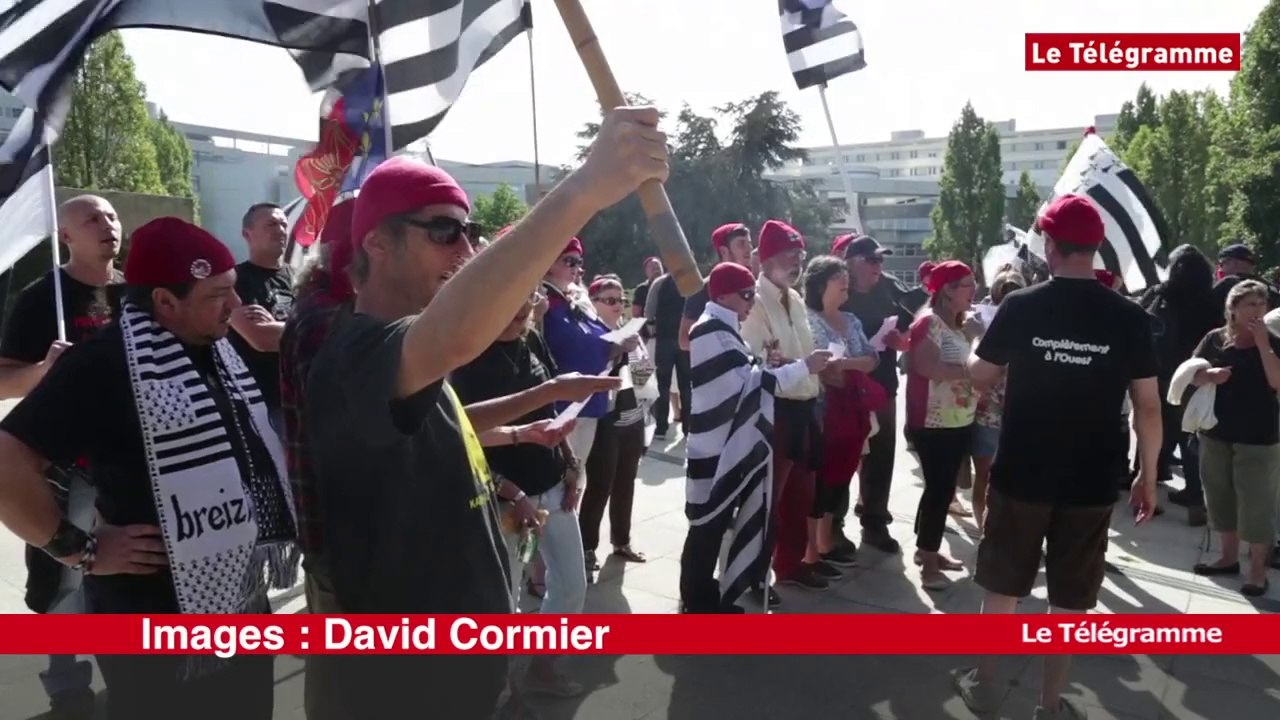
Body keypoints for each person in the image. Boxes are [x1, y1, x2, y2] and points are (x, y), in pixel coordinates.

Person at [301, 107, 668, 719]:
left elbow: (454, 422)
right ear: (377, 244)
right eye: (444, 231)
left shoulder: (405, 357)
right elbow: (455, 337)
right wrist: (584, 188)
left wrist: (543, 397)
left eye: (470, 232)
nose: (466, 249)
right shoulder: (357, 352)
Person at [0, 217, 300, 720]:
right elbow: (8, 462)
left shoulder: (220, 349)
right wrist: (79, 549)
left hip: (238, 603)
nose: (235, 305)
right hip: (148, 615)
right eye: (216, 295)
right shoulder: (103, 363)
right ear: (164, 302)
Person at [955, 194, 1161, 720]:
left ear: (1049, 245)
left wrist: (979, 345)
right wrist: (1149, 474)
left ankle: (983, 685)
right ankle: (1049, 706)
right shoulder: (1129, 316)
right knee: (1068, 601)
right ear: (1095, 249)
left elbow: (980, 376)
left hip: (1022, 471)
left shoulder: (1022, 306)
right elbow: (1148, 405)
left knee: (1002, 587)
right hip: (1091, 480)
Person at [452, 287, 620, 698]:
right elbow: (460, 436)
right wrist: (512, 490)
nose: (520, 308)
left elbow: (552, 407)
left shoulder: (532, 337)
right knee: (504, 602)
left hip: (551, 487)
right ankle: (504, 693)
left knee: (571, 587)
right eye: (509, 299)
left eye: (526, 298)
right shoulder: (467, 357)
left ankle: (541, 667)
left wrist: (570, 464)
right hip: (501, 499)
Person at [0, 194, 123, 719]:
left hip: (128, 464)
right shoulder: (39, 298)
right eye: (92, 218)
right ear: (66, 236)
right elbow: (4, 381)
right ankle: (68, 687)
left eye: (112, 216)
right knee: (66, 577)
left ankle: (128, 672)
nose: (107, 225)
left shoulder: (135, 293)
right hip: (64, 470)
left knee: (124, 571)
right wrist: (43, 372)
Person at [679, 262, 831, 612]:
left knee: (714, 527)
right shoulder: (709, 330)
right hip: (715, 448)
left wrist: (771, 365)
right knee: (706, 527)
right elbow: (746, 388)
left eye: (752, 293)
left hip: (727, 445)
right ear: (722, 295)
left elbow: (748, 377)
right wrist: (803, 367)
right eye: (745, 295)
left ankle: (705, 597)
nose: (751, 301)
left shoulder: (724, 327)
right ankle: (697, 602)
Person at [742, 219, 827, 594]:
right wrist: (802, 367)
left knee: (800, 495)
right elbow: (759, 362)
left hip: (805, 405)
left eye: (800, 255)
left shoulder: (795, 298)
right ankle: (753, 575)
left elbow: (799, 351)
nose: (797, 263)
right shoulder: (754, 300)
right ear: (765, 258)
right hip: (774, 409)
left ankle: (790, 565)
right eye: (789, 255)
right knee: (767, 499)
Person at [1189, 280, 1280, 596]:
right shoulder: (1215, 339)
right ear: (1233, 309)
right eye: (1249, 305)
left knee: (1257, 504)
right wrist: (1208, 376)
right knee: (1219, 496)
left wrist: (1263, 343)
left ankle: (1257, 572)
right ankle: (1227, 558)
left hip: (1259, 437)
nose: (1257, 311)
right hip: (1216, 431)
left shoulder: (1273, 340)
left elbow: (1277, 382)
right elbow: (1190, 374)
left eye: (1261, 304)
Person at [837, 233, 914, 554]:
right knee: (842, 457)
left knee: (881, 455)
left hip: (882, 384)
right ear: (850, 262)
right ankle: (832, 526)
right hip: (845, 386)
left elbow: (910, 323)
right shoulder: (836, 289)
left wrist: (901, 340)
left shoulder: (889, 286)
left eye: (881, 259)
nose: (878, 266)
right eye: (871, 260)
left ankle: (874, 521)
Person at [905, 261, 980, 591]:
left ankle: (927, 550)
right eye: (966, 284)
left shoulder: (955, 324)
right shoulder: (929, 322)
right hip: (933, 422)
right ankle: (929, 563)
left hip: (956, 419)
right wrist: (973, 370)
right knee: (939, 491)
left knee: (942, 488)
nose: (973, 291)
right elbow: (926, 366)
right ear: (947, 290)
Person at [803, 255, 880, 566]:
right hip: (822, 411)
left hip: (853, 410)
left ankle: (826, 540)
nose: (846, 281)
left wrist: (845, 363)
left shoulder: (851, 320)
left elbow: (872, 359)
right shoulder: (808, 319)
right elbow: (821, 369)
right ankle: (814, 549)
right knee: (821, 478)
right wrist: (850, 364)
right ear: (821, 283)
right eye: (839, 277)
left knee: (842, 475)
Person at [1138, 245, 1222, 527]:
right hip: (1191, 374)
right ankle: (1196, 499)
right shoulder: (1210, 301)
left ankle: (1145, 486)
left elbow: (1139, 320)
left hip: (1157, 371)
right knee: (1189, 439)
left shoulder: (1161, 293)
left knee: (1151, 432)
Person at [581, 276, 652, 580]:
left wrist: (638, 353)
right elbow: (592, 373)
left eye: (621, 301)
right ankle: (586, 547)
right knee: (600, 484)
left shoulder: (630, 332)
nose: (617, 306)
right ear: (594, 303)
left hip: (633, 416)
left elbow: (645, 380)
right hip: (606, 419)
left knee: (626, 481)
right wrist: (617, 351)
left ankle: (621, 540)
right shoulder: (593, 334)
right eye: (609, 300)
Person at [228, 202, 295, 424]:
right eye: (271, 224)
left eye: (283, 224)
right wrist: (306, 328)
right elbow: (261, 338)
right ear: (247, 234)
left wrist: (277, 326)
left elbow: (327, 330)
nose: (280, 230)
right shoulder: (235, 282)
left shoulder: (303, 279)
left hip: (302, 399)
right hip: (262, 404)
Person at [970, 270, 1026, 528]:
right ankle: (990, 528)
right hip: (1006, 413)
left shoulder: (985, 325)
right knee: (998, 477)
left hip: (992, 413)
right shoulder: (1030, 324)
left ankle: (987, 529)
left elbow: (978, 371)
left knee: (985, 475)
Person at [679, 223, 755, 351]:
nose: (748, 249)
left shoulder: (753, 284)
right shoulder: (704, 289)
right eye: (741, 244)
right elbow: (684, 340)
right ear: (724, 251)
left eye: (749, 243)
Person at [1211, 243, 1280, 312]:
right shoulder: (1268, 287)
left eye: (1222, 263)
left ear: (1235, 263)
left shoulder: (1227, 285)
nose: (1220, 268)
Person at [632, 256, 663, 321]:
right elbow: (636, 314)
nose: (656, 270)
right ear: (646, 272)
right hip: (649, 327)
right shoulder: (641, 289)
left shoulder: (671, 286)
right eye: (652, 268)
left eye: (657, 267)